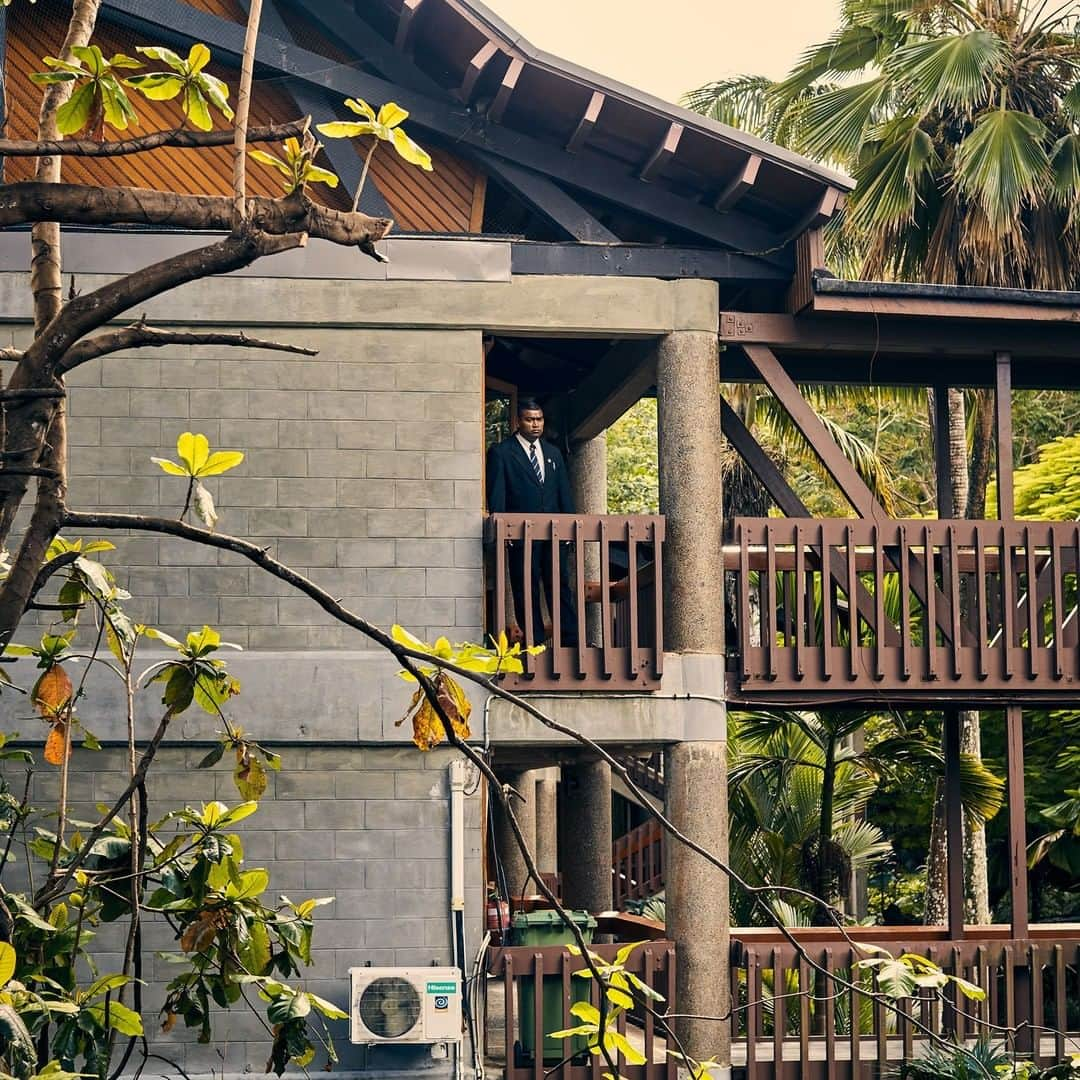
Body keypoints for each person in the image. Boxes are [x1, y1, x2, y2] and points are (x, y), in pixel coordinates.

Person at [486, 398, 578, 647]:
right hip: (520, 535)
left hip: (554, 535)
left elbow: (563, 494)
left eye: (539, 419)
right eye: (529, 419)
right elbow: (497, 497)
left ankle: (570, 641)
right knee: (525, 589)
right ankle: (535, 642)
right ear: (518, 421)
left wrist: (569, 529)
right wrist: (503, 532)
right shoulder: (502, 452)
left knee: (560, 587)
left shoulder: (553, 453)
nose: (535, 425)